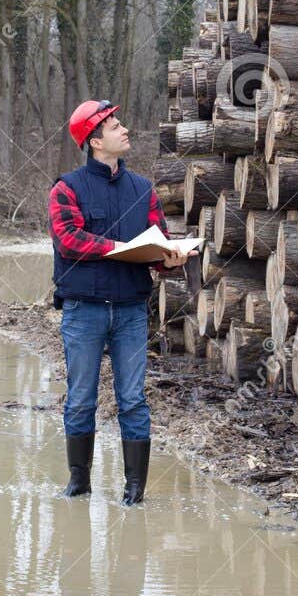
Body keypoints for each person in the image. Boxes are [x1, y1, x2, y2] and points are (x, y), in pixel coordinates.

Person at [49, 100, 190, 505]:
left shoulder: (142, 189)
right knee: (81, 399)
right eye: (114, 126)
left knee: (133, 399)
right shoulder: (67, 189)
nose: (124, 129)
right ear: (95, 140)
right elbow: (68, 239)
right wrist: (117, 246)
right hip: (84, 309)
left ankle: (134, 491)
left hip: (131, 309)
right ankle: (79, 485)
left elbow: (157, 244)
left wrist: (170, 259)